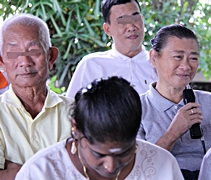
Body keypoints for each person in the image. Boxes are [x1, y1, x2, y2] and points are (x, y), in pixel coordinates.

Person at [15, 76, 183, 180]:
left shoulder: (163, 165)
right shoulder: (41, 172)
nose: (110, 166)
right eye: (98, 154)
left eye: (124, 153)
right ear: (75, 128)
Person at [0, 13, 73, 179]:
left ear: (51, 57)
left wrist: (17, 172)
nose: (25, 61)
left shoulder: (78, 112)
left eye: (34, 50)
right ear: (1, 62)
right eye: (13, 52)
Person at [137, 24, 211, 180]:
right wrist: (172, 133)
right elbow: (136, 169)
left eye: (193, 58)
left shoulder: (208, 101)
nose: (185, 66)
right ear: (154, 58)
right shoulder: (136, 108)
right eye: (178, 56)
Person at [66, 0, 157, 98]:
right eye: (122, 21)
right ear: (107, 29)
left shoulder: (162, 64)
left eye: (135, 18)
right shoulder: (91, 65)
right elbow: (69, 110)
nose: (131, 27)